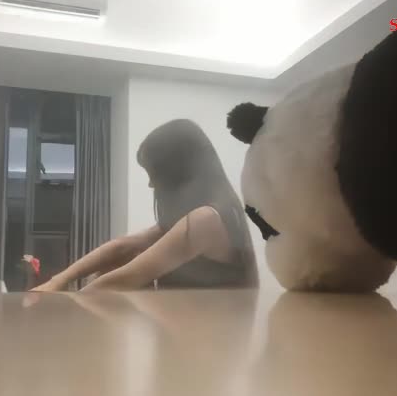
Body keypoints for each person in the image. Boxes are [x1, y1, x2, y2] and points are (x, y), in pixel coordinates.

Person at [31, 119, 258, 292]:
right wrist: (58, 281)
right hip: (189, 328)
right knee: (116, 262)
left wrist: (69, 303)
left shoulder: (205, 219)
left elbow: (127, 277)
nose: (150, 184)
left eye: (153, 174)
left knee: (112, 276)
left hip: (209, 335)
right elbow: (121, 246)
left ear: (175, 172)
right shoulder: (205, 214)